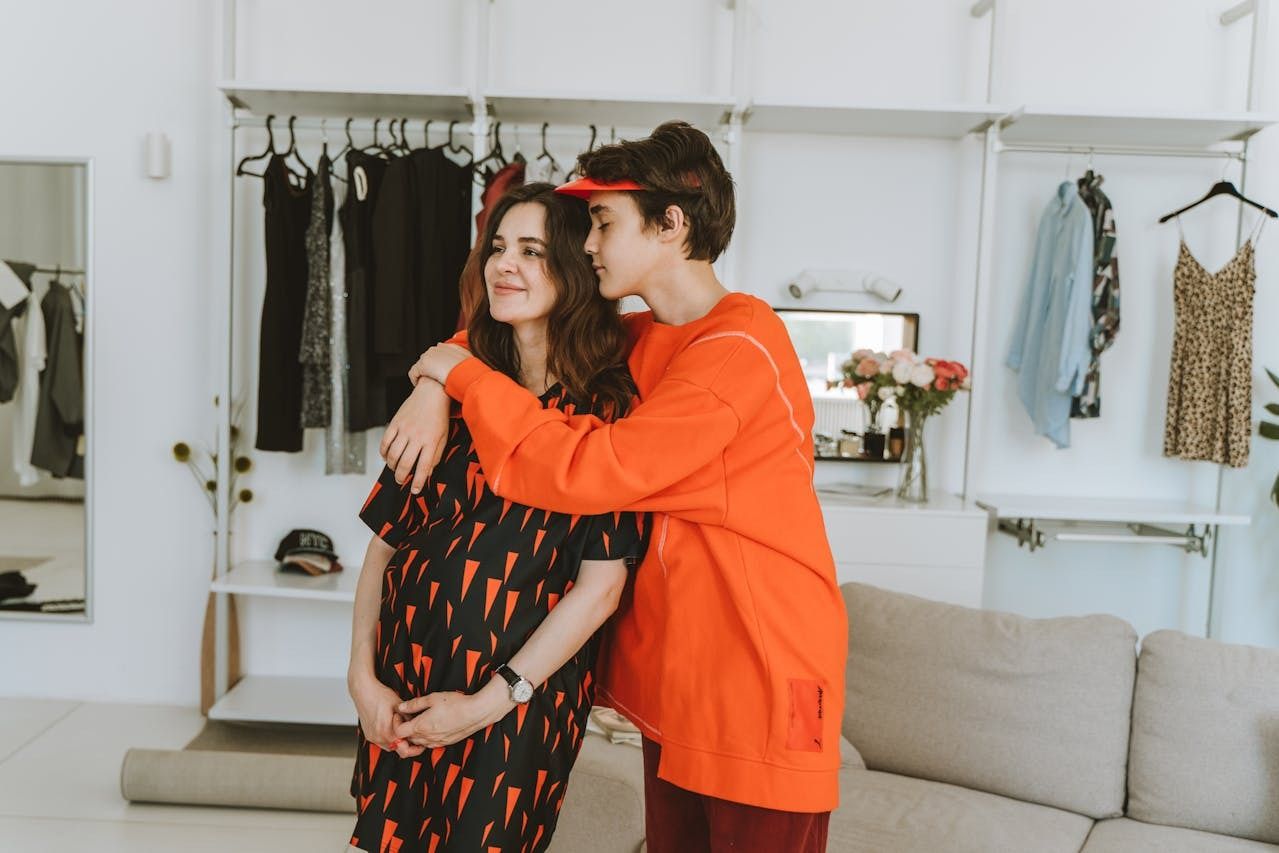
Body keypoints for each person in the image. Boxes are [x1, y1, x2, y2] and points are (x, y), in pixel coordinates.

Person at [381, 121, 846, 853]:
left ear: (671, 224)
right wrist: (435, 378)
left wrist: (456, 377)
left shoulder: (737, 352)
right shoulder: (647, 335)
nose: (587, 244)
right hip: (682, 684)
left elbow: (591, 471)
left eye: (601, 222)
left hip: (758, 675)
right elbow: (524, 328)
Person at [347, 182, 647, 853]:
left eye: (532, 251)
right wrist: (360, 677)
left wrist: (488, 700)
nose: (503, 264)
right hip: (405, 680)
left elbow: (599, 588)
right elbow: (384, 548)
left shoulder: (608, 406)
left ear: (573, 267)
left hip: (517, 701)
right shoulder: (450, 385)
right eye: (498, 247)